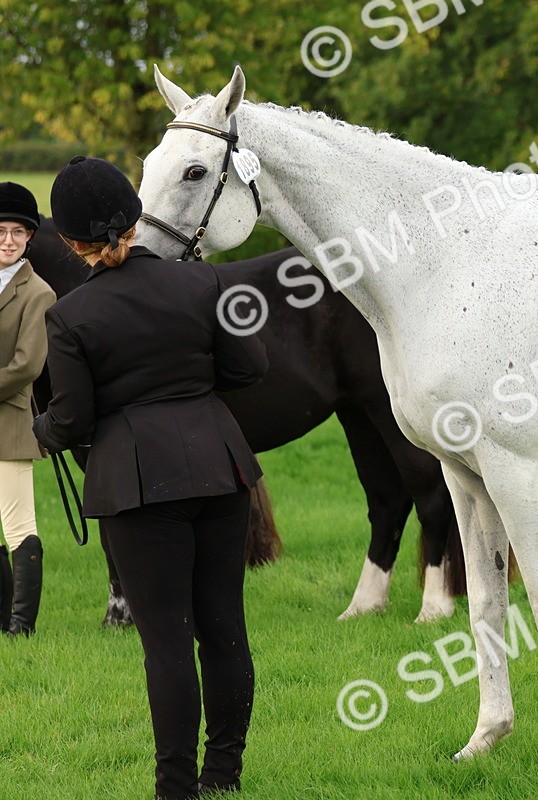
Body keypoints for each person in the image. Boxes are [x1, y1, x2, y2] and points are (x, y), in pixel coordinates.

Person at [33, 156, 268, 800]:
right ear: (134, 222)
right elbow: (249, 366)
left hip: (138, 484)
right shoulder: (202, 284)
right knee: (224, 628)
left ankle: (175, 789)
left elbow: (74, 417)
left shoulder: (70, 316)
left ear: (73, 244)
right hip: (219, 467)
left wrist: (43, 432)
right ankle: (224, 775)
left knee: (166, 642)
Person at [0, 181, 55, 637]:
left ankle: (21, 627)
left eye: (19, 232)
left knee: (18, 525)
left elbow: (27, 366)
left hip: (11, 422)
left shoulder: (38, 293)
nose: (9, 240)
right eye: (1, 230)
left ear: (30, 238)